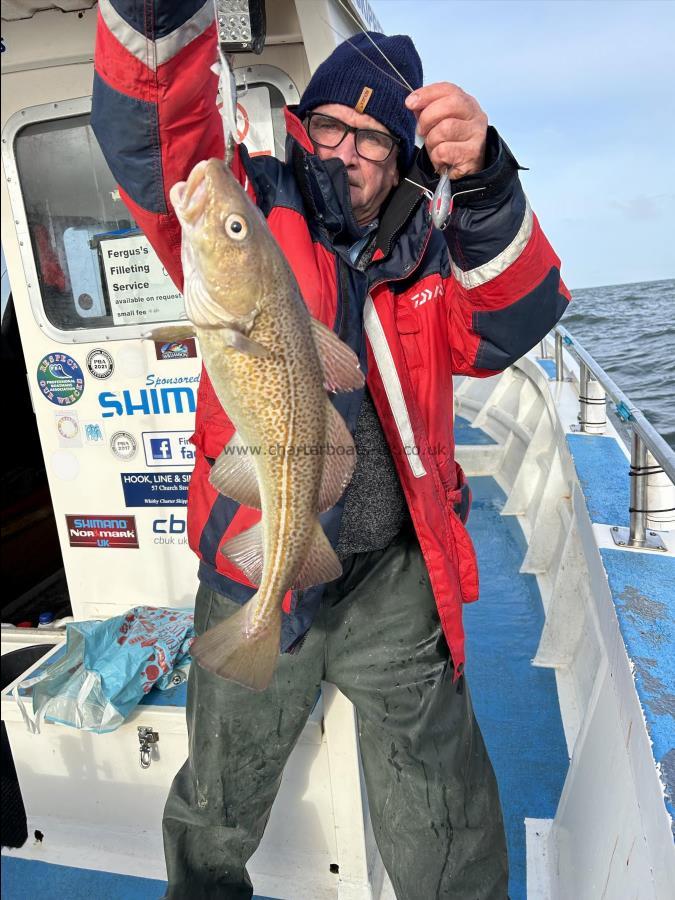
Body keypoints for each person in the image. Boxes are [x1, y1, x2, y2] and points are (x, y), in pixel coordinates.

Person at [92, 5, 569, 898]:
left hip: (393, 573)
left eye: (371, 139)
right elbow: (151, 140)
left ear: (404, 159)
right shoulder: (247, 205)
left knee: (444, 799)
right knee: (217, 797)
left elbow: (513, 324)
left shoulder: (435, 249)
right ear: (299, 126)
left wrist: (489, 183)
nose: (343, 151)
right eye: (326, 126)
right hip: (261, 547)